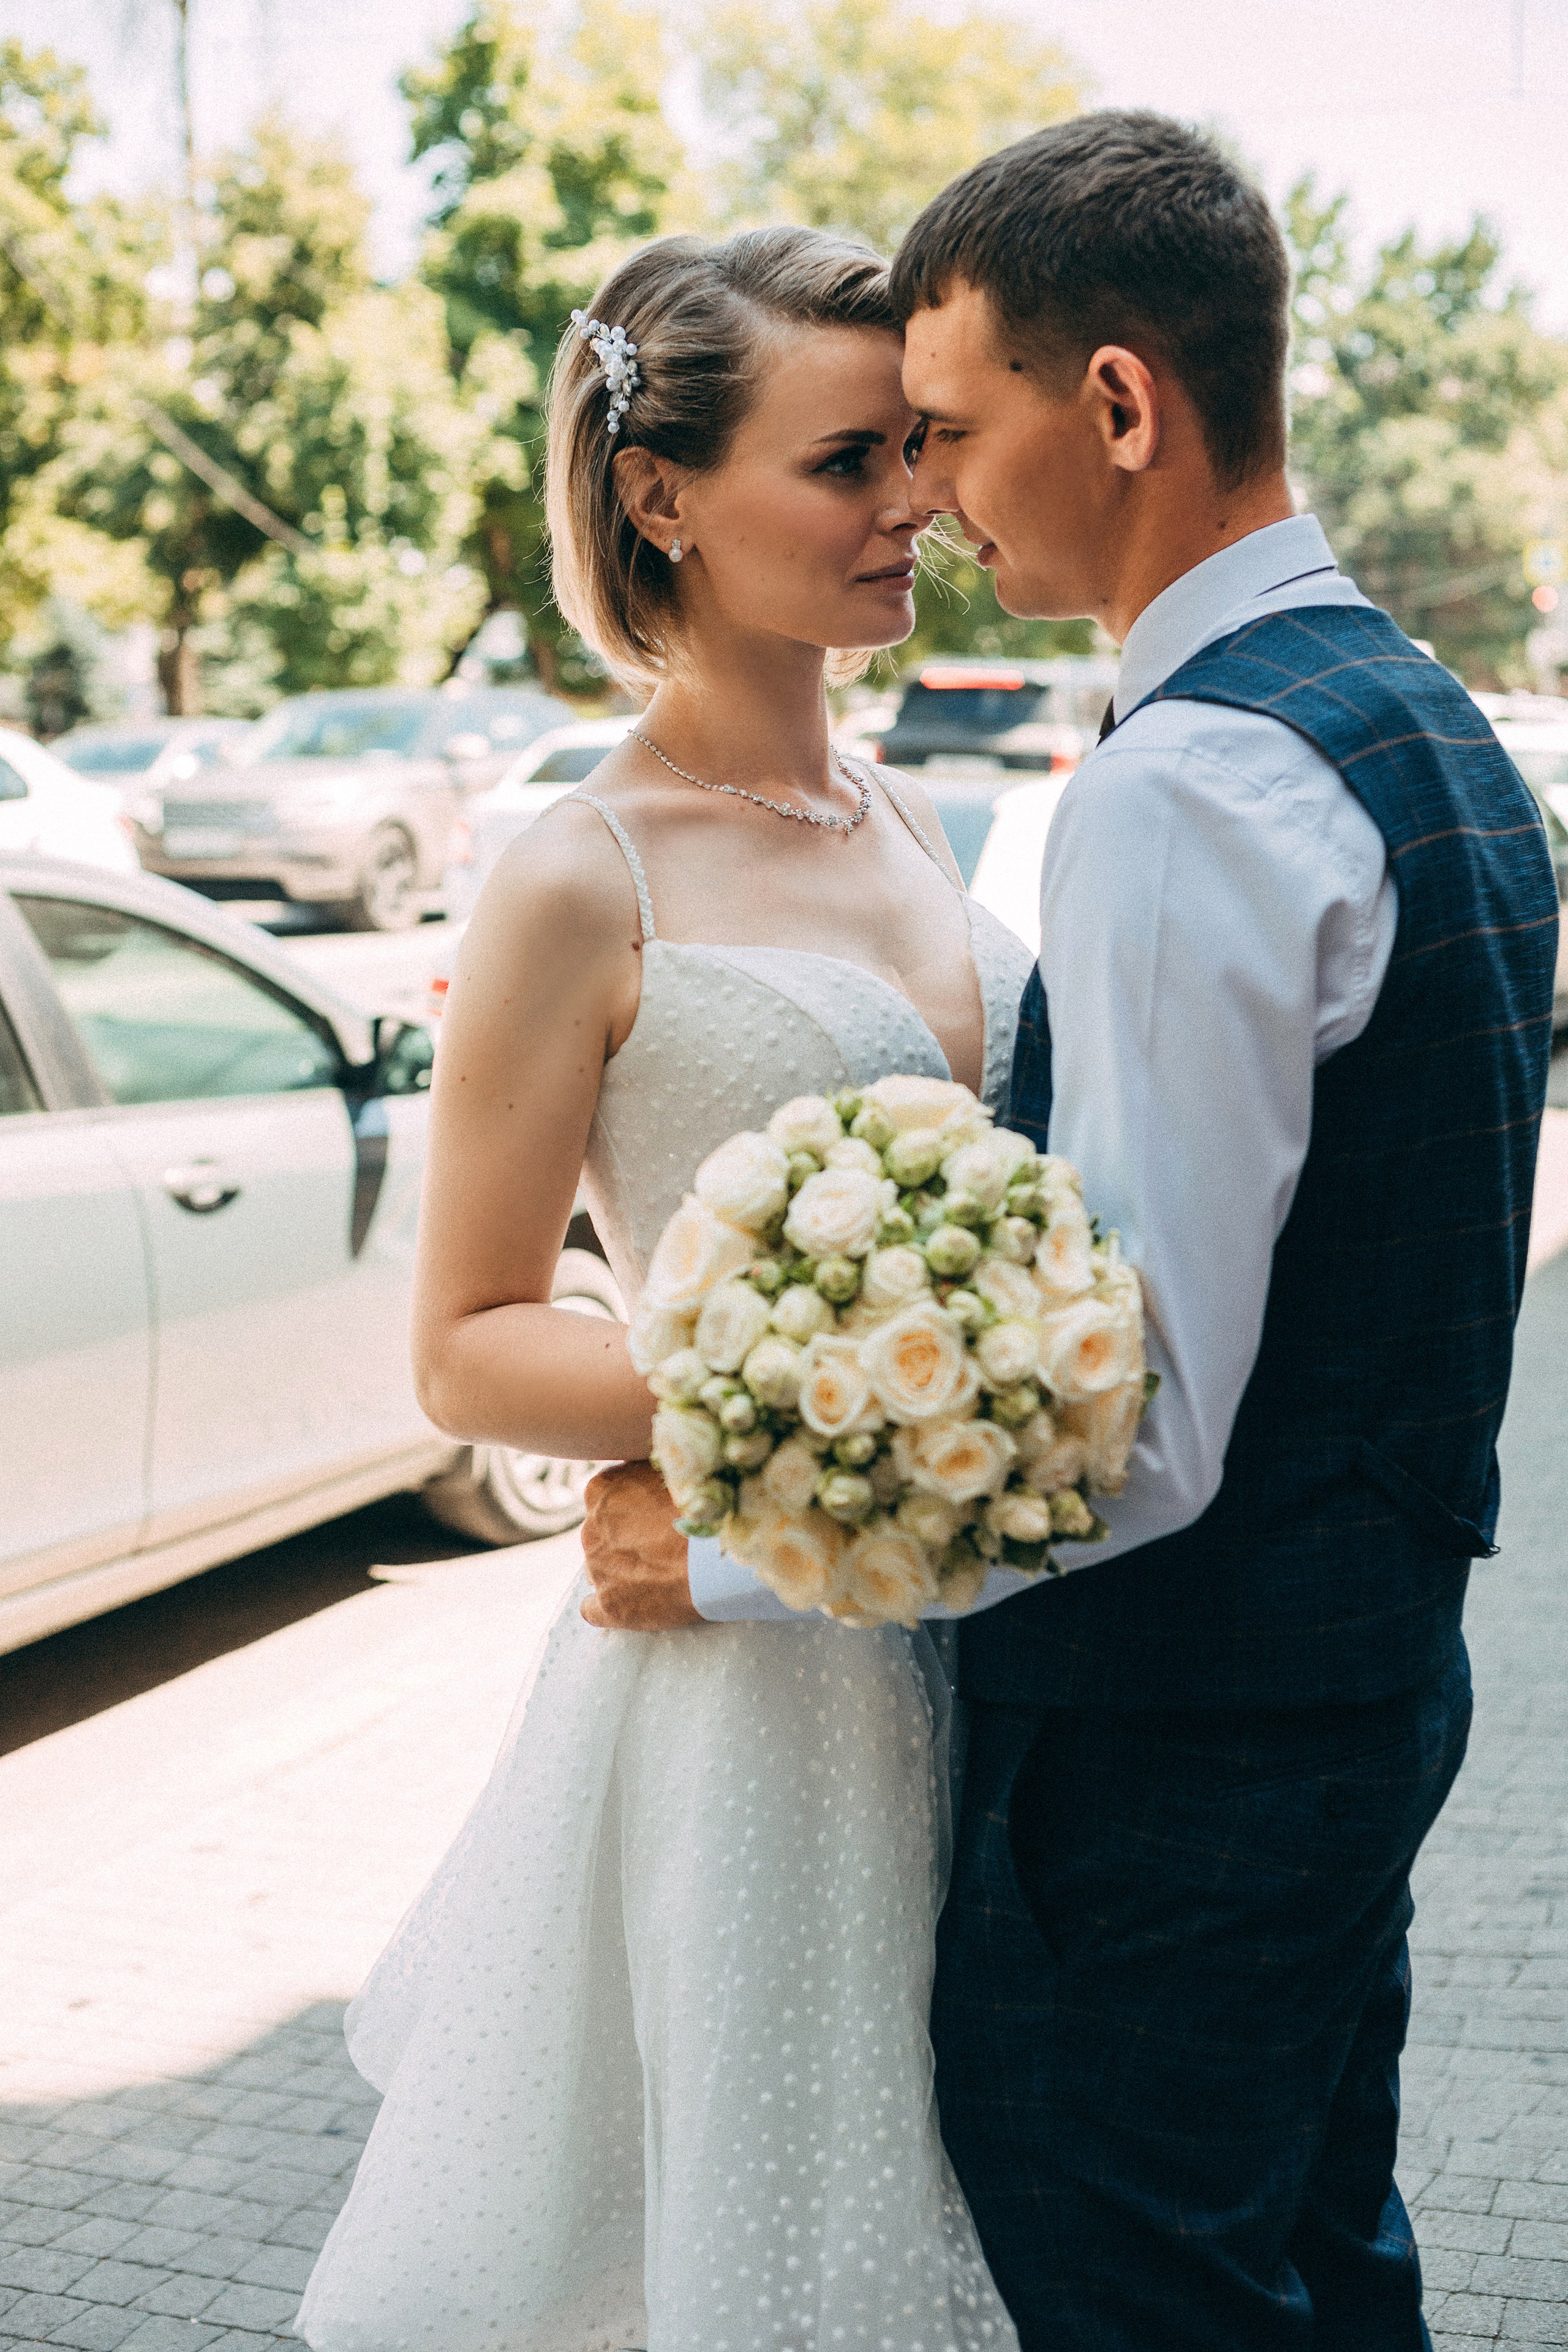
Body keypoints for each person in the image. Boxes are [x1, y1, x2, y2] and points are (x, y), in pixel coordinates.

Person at [581, 116, 1559, 2348]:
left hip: (1174, 1763)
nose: (925, 491)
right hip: (1362, 1680)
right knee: (1319, 2258)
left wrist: (725, 1549)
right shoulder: (1422, 722)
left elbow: (1140, 1419)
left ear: (1117, 405)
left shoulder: (1189, 787)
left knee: (1141, 2284)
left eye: (945, 429)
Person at [293, 224, 1031, 2352]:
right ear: (662, 494)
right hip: (743, 1692)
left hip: (963, 1654)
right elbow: (466, 1338)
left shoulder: (913, 822)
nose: (916, 503)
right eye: (849, 462)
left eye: (915, 449)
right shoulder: (574, 870)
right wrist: (820, 1404)